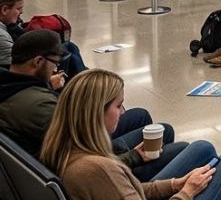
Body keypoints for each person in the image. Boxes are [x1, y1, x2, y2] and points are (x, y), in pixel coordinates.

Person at [41, 69, 221, 200]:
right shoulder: (98, 170)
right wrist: (187, 192)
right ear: (96, 112)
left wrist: (175, 184)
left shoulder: (65, 148)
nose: (123, 112)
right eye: (118, 106)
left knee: (202, 147)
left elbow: (123, 194)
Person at [0, 30, 186, 182]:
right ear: (38, 61)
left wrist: (48, 86)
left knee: (143, 118)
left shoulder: (12, 87)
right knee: (181, 143)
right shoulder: (41, 107)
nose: (55, 69)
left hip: (70, 163)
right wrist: (133, 157)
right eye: (54, 64)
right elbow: (85, 161)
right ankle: (147, 184)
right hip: (95, 176)